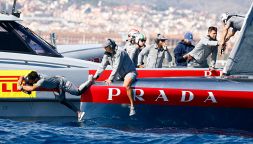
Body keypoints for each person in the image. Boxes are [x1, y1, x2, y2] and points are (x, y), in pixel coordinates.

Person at [17, 71, 94, 121]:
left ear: (35, 79)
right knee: (61, 100)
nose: (29, 82)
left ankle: (90, 81)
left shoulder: (41, 81)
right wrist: (19, 82)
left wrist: (21, 87)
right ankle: (78, 112)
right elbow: (21, 76)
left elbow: (32, 88)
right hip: (56, 87)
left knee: (77, 92)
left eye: (30, 81)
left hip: (62, 82)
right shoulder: (33, 75)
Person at [93, 39, 137, 116]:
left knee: (126, 85)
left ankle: (132, 107)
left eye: (106, 47)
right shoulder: (106, 54)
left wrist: (110, 78)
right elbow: (102, 66)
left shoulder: (120, 52)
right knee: (109, 85)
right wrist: (95, 76)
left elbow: (117, 67)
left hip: (129, 72)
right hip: (119, 75)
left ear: (110, 46)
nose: (105, 49)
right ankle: (117, 105)